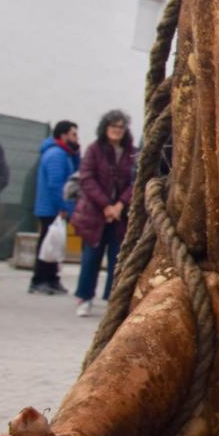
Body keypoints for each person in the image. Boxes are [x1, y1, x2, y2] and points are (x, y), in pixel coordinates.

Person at [72, 110, 136, 317]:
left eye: (120, 127)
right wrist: (106, 206)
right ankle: (85, 297)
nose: (117, 131)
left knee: (118, 259)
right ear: (105, 128)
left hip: (120, 216)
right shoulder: (94, 150)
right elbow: (87, 179)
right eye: (113, 126)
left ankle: (113, 300)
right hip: (96, 214)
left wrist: (120, 205)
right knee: (91, 258)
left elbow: (136, 181)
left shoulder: (132, 153)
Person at [31, 120, 81, 296]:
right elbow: (56, 185)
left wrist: (76, 153)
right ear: (64, 135)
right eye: (74, 134)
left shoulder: (65, 154)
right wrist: (63, 206)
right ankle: (39, 280)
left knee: (55, 244)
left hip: (55, 207)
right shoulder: (56, 155)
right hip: (51, 208)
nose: (77, 138)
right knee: (47, 244)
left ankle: (52, 278)